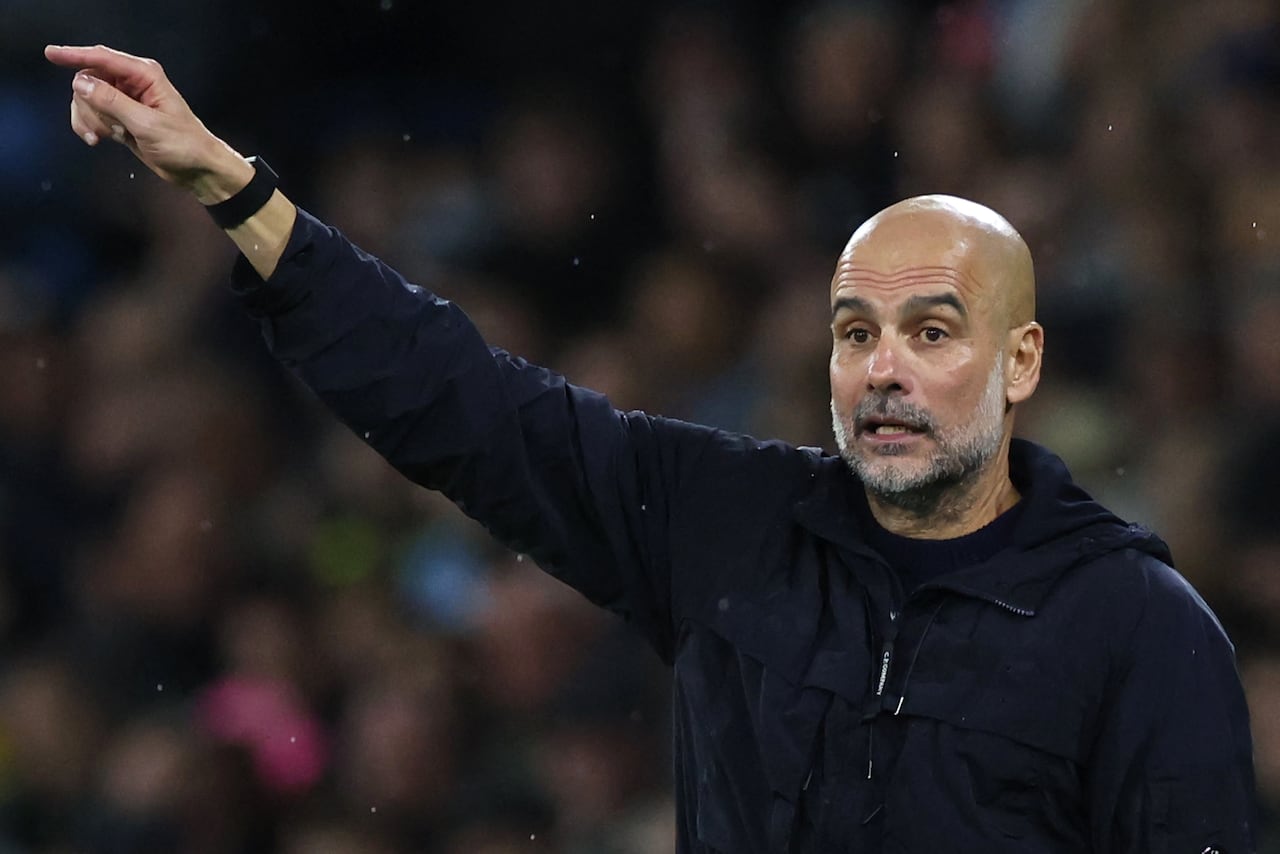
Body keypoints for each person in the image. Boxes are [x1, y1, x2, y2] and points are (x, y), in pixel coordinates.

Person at [46, 44, 1256, 853]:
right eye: (853, 332)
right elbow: (468, 405)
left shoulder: (1136, 627)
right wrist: (234, 190)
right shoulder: (726, 522)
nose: (880, 369)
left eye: (930, 331)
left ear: (1021, 361)